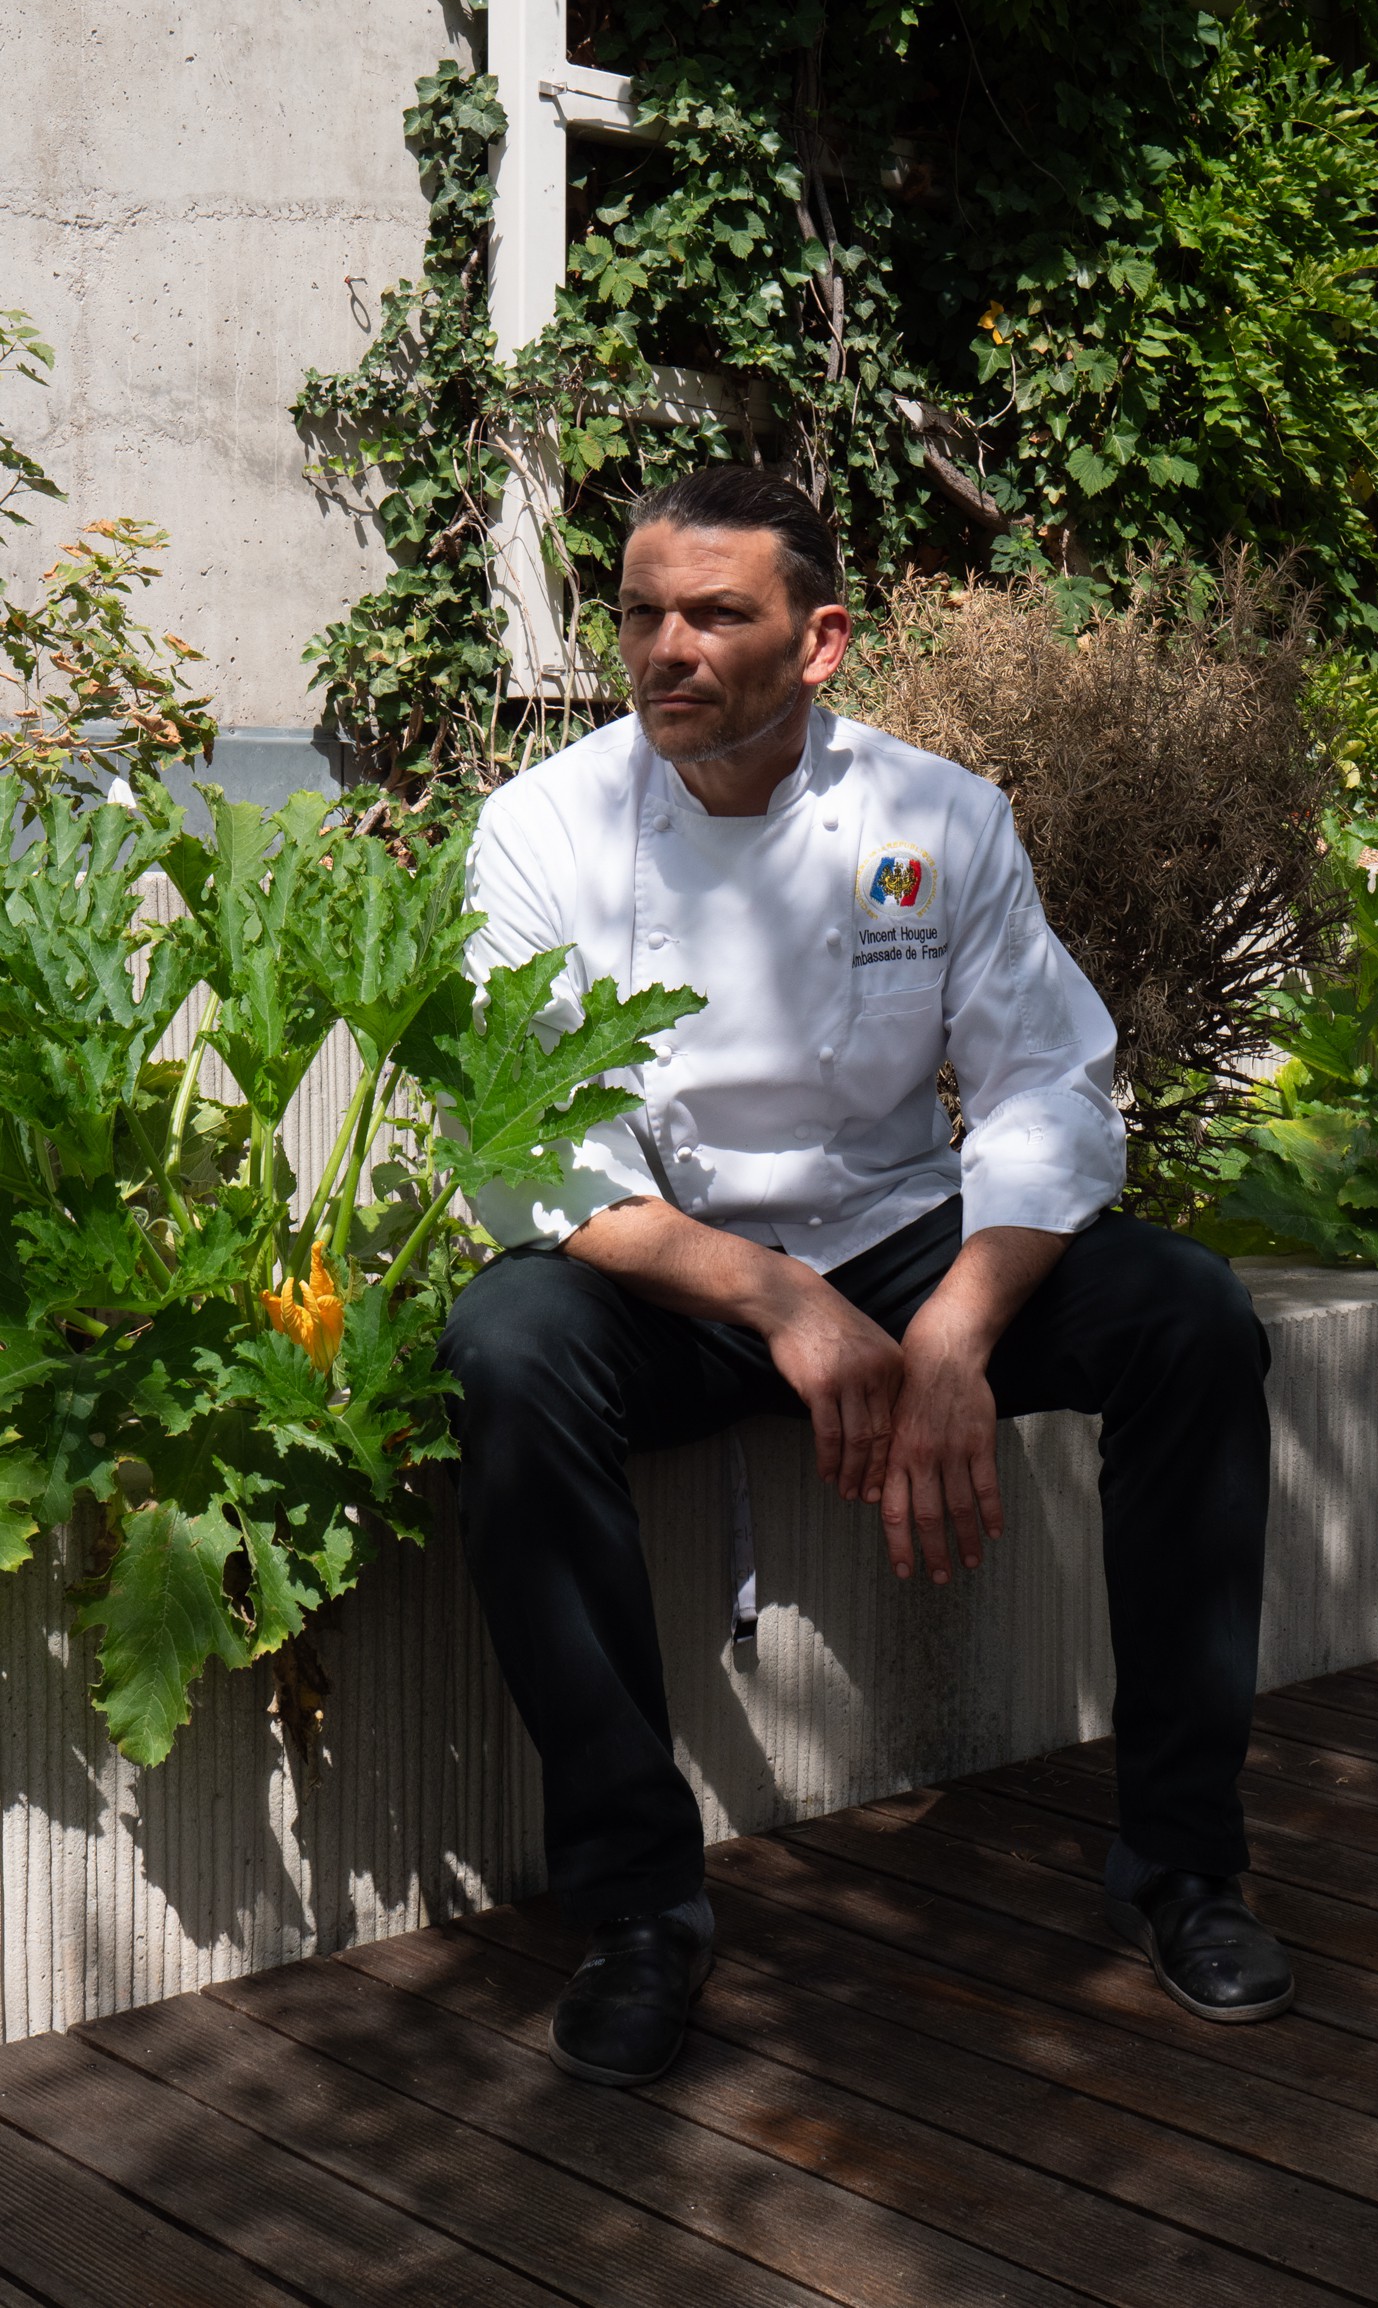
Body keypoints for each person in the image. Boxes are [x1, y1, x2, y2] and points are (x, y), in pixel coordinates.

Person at [439, 464, 1292, 2088]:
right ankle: (639, 1906)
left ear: (820, 640)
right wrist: (780, 1303)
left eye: (715, 615)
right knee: (509, 1345)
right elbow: (533, 1152)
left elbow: (1047, 1094)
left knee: (1187, 1316)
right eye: (640, 614)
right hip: (674, 1270)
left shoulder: (935, 818)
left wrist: (956, 1329)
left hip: (902, 1242)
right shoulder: (541, 828)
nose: (666, 650)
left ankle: (1189, 1865)